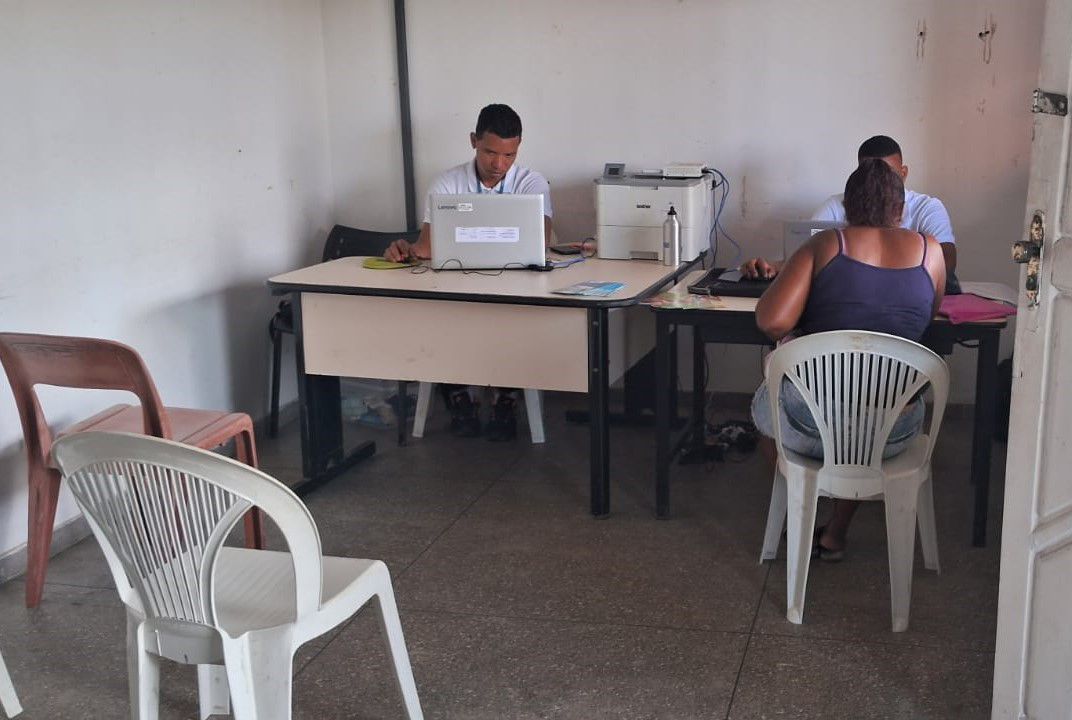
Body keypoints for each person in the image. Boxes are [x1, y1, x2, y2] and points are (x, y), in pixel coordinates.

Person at [750, 158, 946, 560]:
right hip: (895, 432)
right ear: (900, 209)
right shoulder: (932, 252)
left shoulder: (826, 244)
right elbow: (927, 314)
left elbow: (770, 321)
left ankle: (801, 512)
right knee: (870, 407)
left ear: (847, 207)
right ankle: (836, 532)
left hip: (812, 426)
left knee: (770, 392)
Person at [384, 103, 554, 441]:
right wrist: (405, 250)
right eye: (490, 152)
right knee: (442, 318)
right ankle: (459, 396)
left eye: (509, 155)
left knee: (517, 321)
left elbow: (540, 243)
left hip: (515, 290)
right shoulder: (447, 183)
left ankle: (506, 399)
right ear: (473, 141)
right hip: (456, 289)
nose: (499, 164)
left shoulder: (532, 183)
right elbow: (427, 247)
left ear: (519, 147)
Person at [741, 135, 957, 279]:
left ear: (903, 173)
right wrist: (771, 267)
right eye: (870, 173)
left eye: (888, 174)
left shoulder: (927, 208)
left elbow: (946, 262)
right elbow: (803, 257)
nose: (879, 182)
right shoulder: (836, 206)